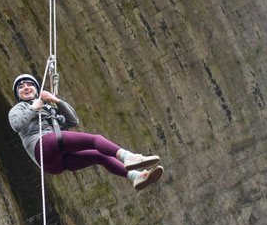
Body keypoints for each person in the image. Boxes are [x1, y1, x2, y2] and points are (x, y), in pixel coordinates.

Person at [8, 74, 164, 191]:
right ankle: (128, 157)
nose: (26, 88)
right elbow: (17, 124)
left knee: (101, 156)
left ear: (36, 89)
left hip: (57, 163)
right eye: (21, 87)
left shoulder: (48, 108)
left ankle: (136, 176)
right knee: (95, 139)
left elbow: (73, 121)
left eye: (29, 85)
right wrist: (33, 107)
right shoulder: (18, 109)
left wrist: (57, 102)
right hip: (42, 146)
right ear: (18, 94)